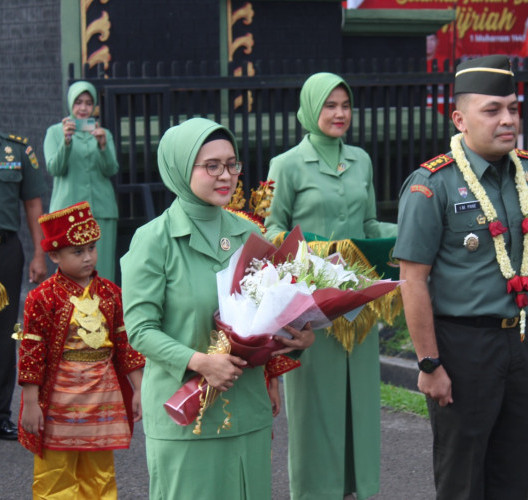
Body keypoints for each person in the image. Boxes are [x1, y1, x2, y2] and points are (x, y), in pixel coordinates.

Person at [394, 55, 528, 499]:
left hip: (521, 342)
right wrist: (429, 364)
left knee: (514, 473)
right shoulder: (431, 184)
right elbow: (412, 281)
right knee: (463, 477)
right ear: (460, 119)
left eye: (513, 108)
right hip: (463, 347)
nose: (508, 119)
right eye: (492, 110)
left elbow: (523, 253)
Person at [120, 117, 314, 499]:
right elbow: (141, 330)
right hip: (184, 416)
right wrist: (200, 361)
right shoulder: (153, 241)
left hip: (246, 412)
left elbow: (266, 317)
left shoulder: (249, 234)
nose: (226, 175)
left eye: (232, 164)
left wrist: (298, 335)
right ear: (180, 167)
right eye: (212, 166)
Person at [265, 72, 397, 500]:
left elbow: (371, 223)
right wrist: (315, 256)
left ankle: (356, 488)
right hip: (311, 305)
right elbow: (272, 229)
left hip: (358, 304)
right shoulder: (286, 165)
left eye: (345, 105)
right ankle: (315, 491)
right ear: (309, 109)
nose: (339, 114)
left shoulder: (360, 160)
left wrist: (410, 236)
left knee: (359, 400)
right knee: (314, 406)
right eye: (329, 105)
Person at [17, 201, 145, 498]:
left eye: (92, 248)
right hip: (59, 398)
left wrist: (140, 389)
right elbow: (31, 352)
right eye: (78, 251)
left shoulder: (112, 294)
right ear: (53, 255)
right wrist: (31, 402)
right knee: (55, 476)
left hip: (102, 397)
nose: (88, 258)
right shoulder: (41, 297)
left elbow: (126, 345)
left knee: (100, 476)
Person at [44, 81, 119, 281]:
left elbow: (111, 169)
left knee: (101, 270)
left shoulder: (103, 134)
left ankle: (104, 311)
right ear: (70, 105)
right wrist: (66, 142)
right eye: (78, 103)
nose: (83, 108)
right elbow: (54, 168)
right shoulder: (55, 133)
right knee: (71, 269)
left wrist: (102, 146)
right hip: (68, 212)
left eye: (88, 103)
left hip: (100, 210)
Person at [0, 131, 47, 440]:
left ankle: (1, 413)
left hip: (5, 249)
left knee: (4, 332)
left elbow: (33, 204)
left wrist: (39, 254)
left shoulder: (15, 149)